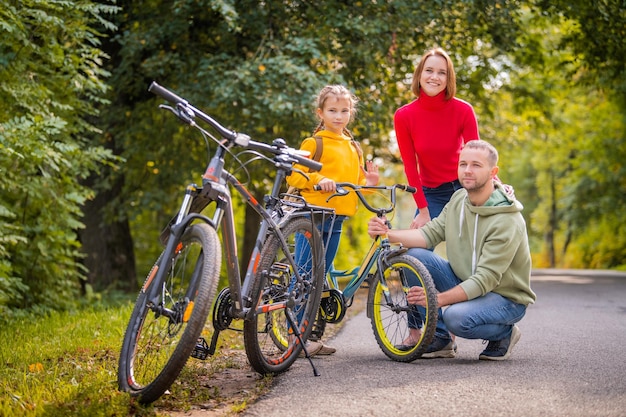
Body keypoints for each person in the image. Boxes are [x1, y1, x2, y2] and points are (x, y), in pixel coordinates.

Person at [367, 140, 535, 360]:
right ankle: (440, 339)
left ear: (493, 172)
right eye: (463, 163)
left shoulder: (506, 220)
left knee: (456, 318)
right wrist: (386, 233)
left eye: (476, 165)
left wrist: (436, 300)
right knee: (412, 254)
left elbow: (485, 279)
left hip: (504, 297)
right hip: (466, 280)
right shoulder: (458, 200)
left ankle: (505, 332)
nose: (467, 170)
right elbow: (428, 234)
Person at [287, 84, 379, 356]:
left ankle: (309, 333)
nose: (339, 116)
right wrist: (320, 180)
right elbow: (296, 174)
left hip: (337, 218)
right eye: (332, 110)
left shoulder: (353, 147)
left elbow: (356, 185)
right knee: (305, 275)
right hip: (312, 216)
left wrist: (370, 183)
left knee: (321, 274)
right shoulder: (314, 143)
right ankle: (295, 337)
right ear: (321, 112)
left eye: (344, 110)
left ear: (350, 113)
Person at [394, 47, 480, 228]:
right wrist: (423, 210)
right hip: (431, 194)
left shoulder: (463, 110)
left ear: (448, 79)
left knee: (472, 249)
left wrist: (496, 185)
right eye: (429, 70)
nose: (435, 77)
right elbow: (410, 166)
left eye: (442, 73)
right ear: (419, 74)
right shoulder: (404, 116)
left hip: (465, 187)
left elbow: (477, 156)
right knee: (417, 253)